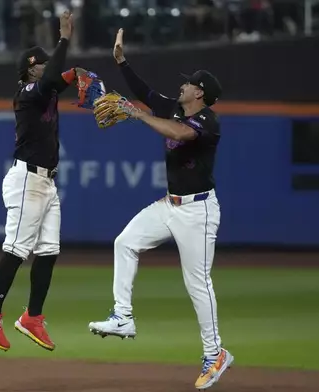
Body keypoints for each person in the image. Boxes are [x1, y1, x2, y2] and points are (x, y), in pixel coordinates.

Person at [87, 28, 233, 390]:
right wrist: (121, 61)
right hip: (170, 205)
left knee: (197, 283)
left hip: (198, 212)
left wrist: (136, 116)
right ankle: (122, 316)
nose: (182, 87)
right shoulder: (173, 107)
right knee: (125, 242)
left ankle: (215, 353)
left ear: (199, 93)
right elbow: (144, 92)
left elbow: (180, 134)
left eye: (188, 85)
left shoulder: (207, 122)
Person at [0, 10, 86, 352]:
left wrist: (80, 74)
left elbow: (61, 77)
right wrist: (65, 38)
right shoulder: (27, 91)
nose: (46, 66)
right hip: (26, 180)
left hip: (47, 183)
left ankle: (32, 318)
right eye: (41, 63)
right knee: (17, 249)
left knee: (49, 250)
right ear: (30, 68)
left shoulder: (46, 89)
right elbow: (52, 78)